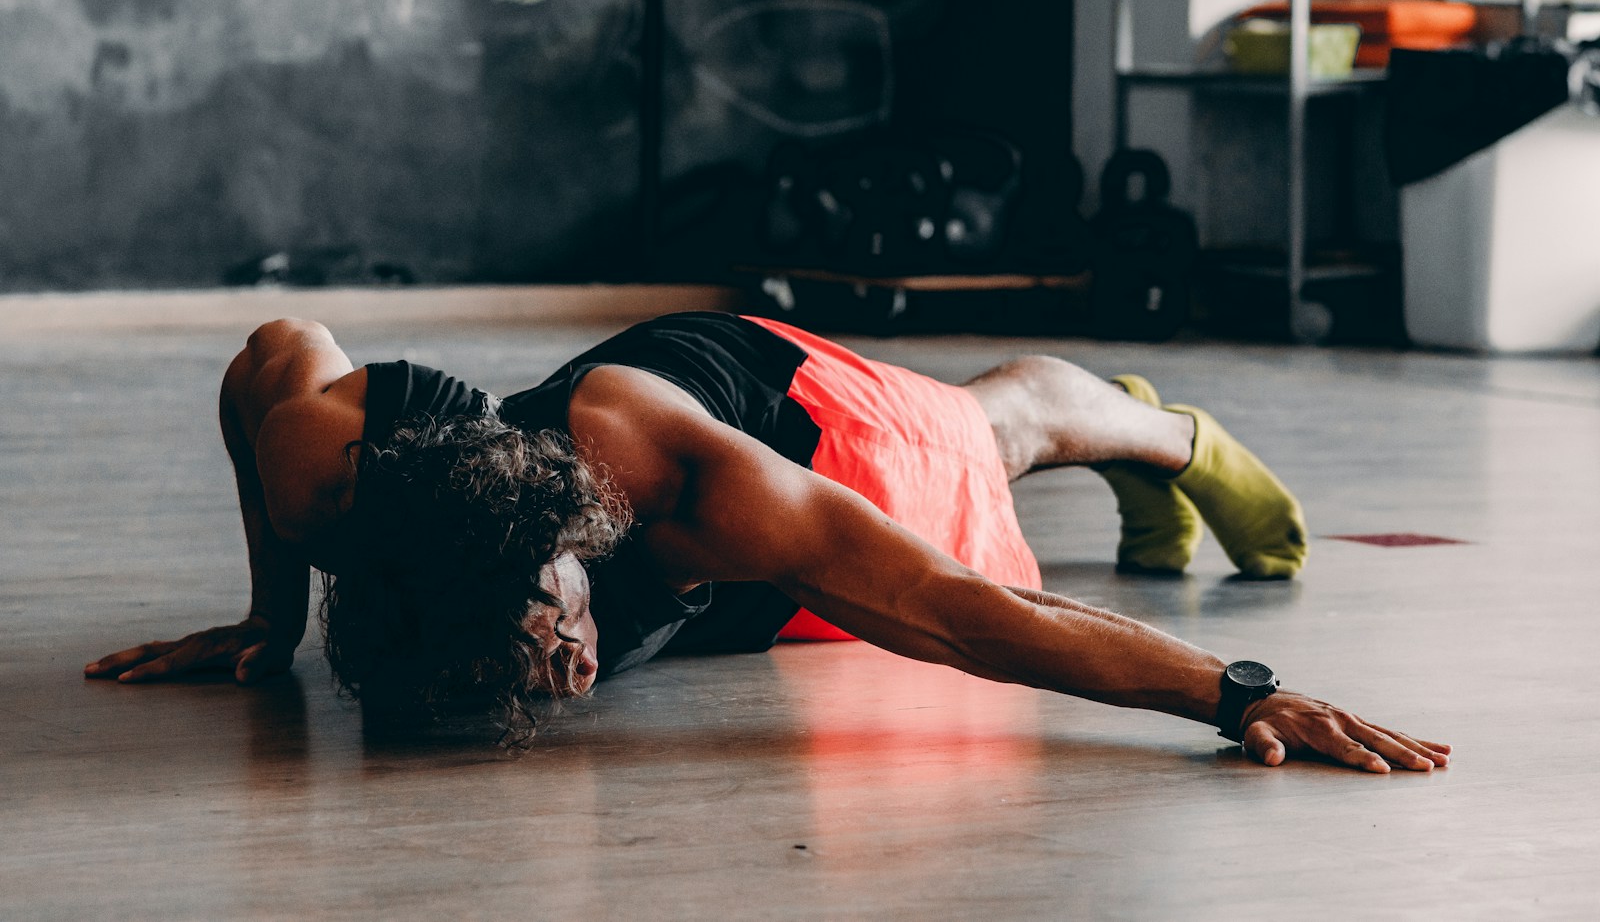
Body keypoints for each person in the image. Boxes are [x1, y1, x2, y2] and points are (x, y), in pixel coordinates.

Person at [86, 312, 1449, 774]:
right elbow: (266, 358)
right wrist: (270, 620)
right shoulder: (328, 490)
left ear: (565, 548)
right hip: (716, 583)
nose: (564, 668)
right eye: (537, 667)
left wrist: (1242, 694)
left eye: (557, 630)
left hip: (781, 427)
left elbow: (963, 612)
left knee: (988, 439)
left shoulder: (675, 478)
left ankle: (1165, 435)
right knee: (805, 604)